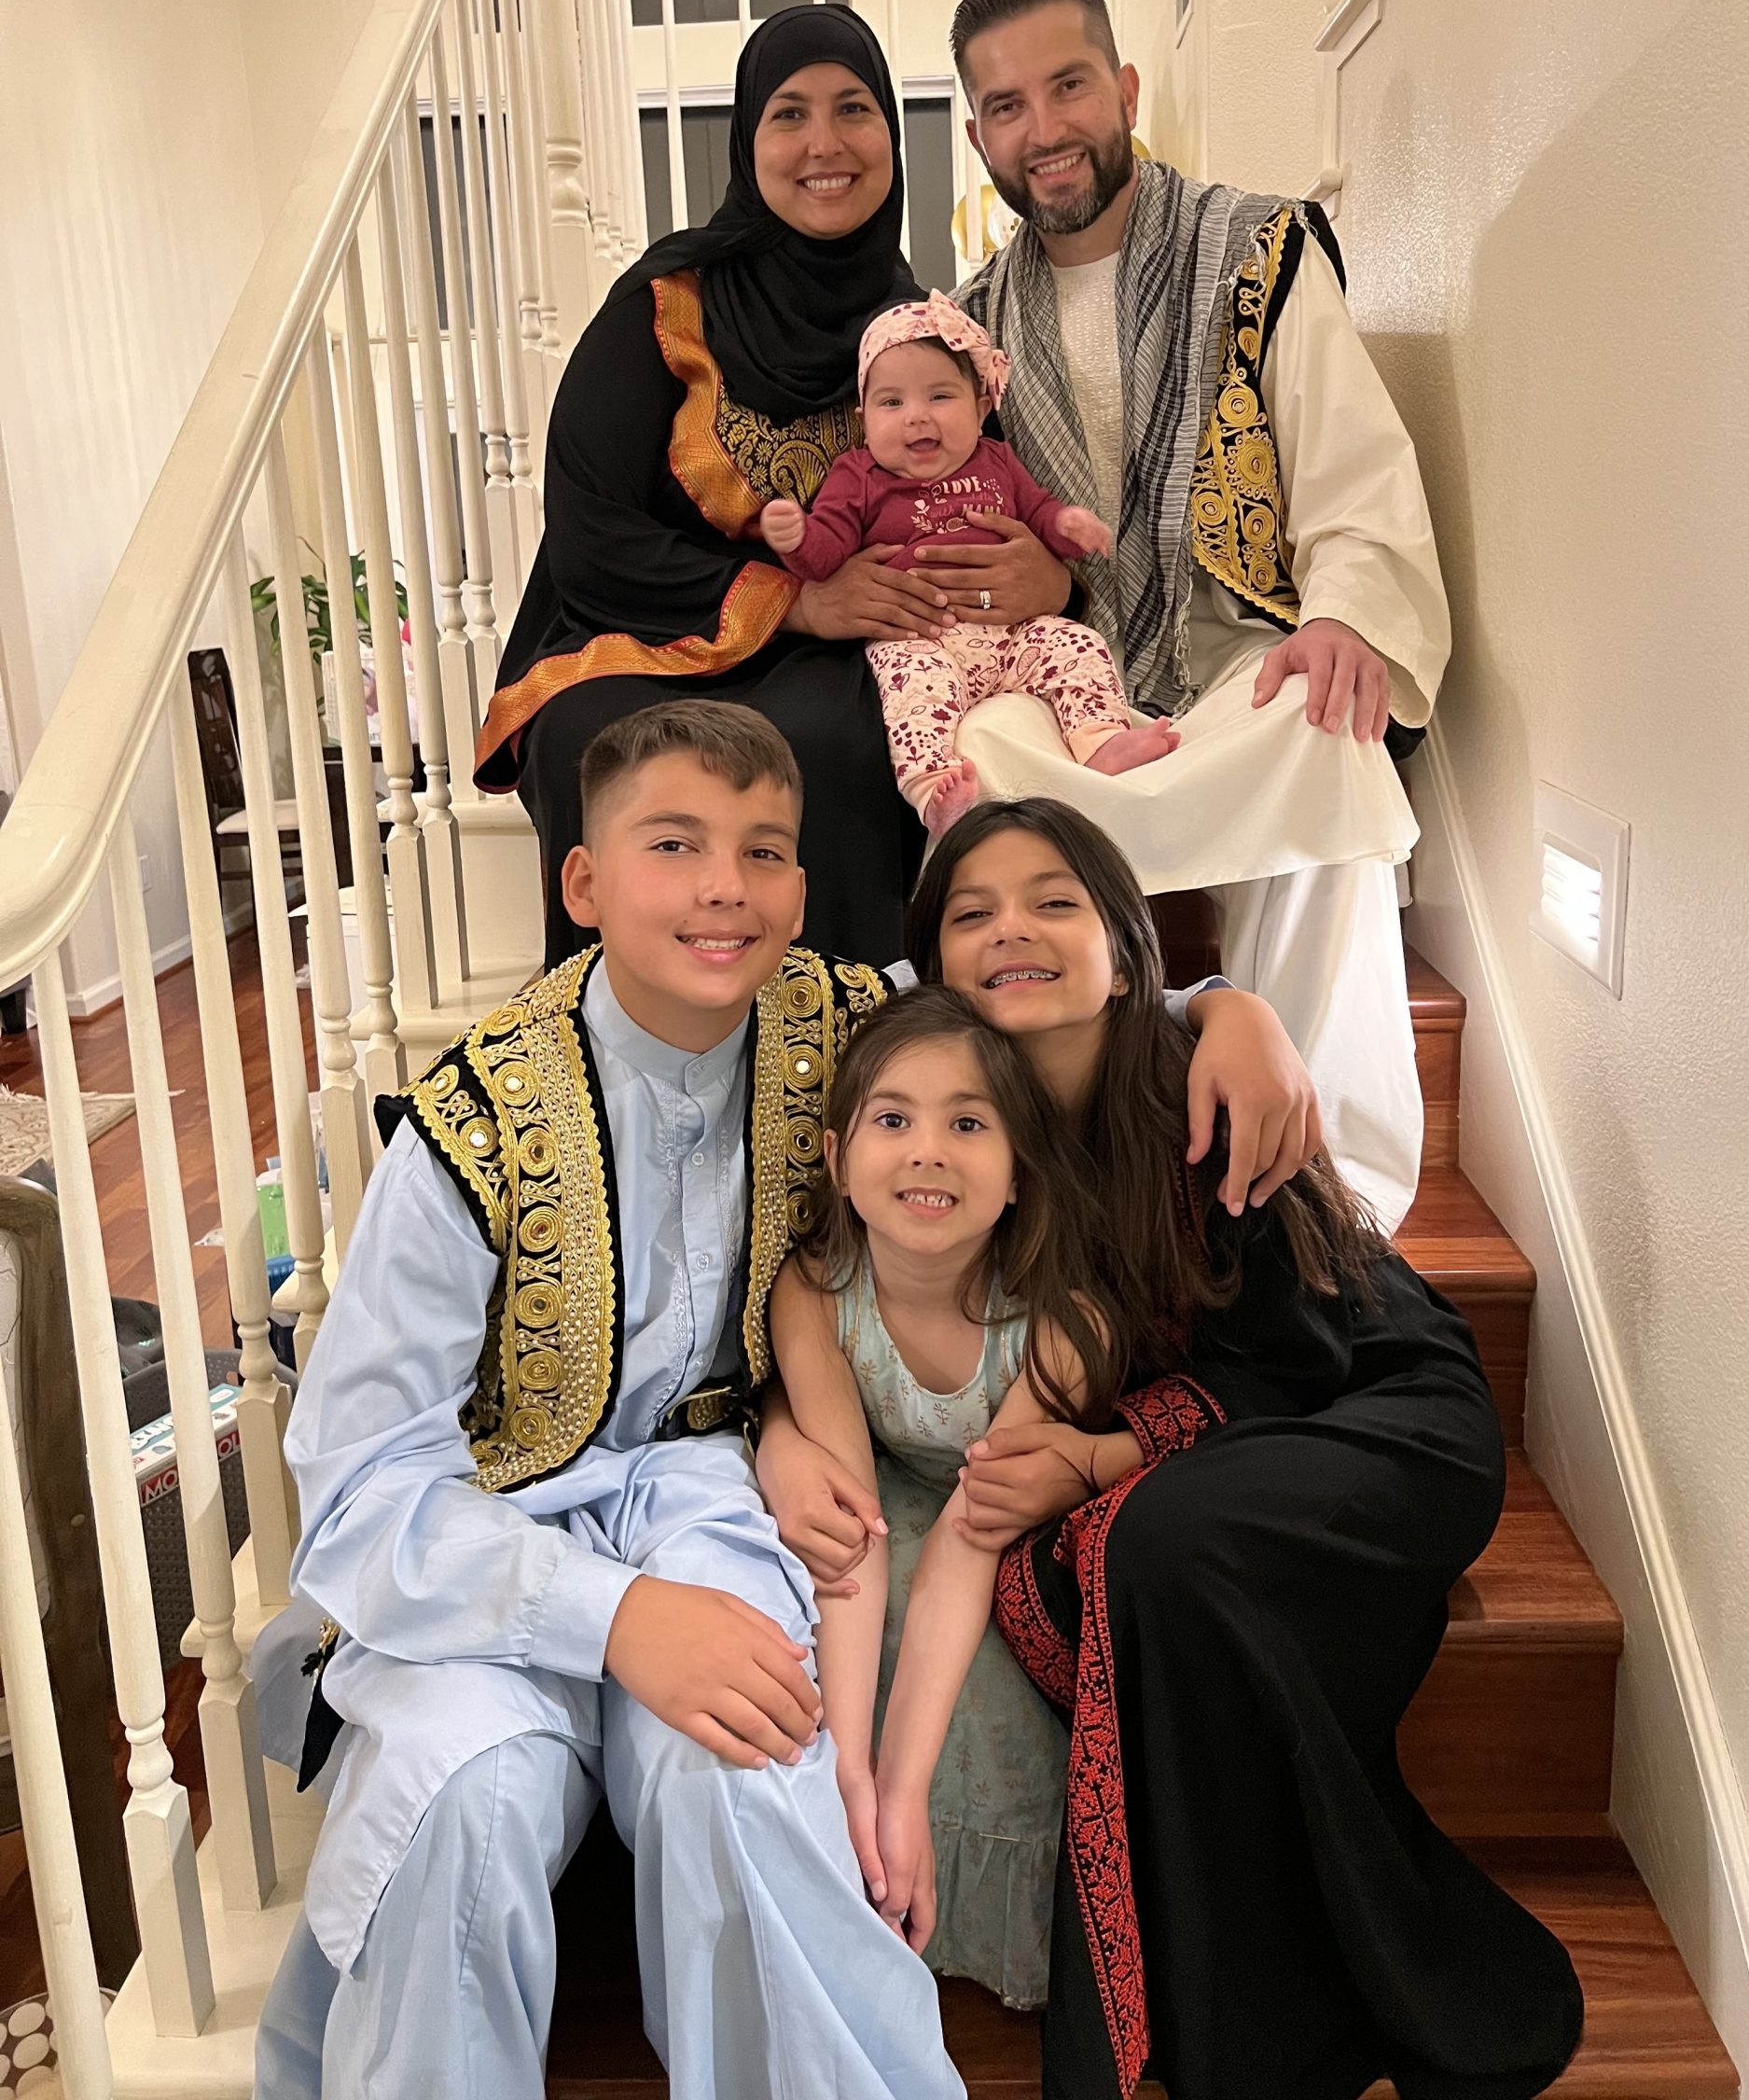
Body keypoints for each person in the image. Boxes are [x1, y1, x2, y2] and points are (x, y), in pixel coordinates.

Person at [252, 701, 1322, 2100]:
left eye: (764, 851)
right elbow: (358, 1486)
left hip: (710, 1501)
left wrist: (1226, 1008)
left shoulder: (845, 1021)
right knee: (467, 1796)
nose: (724, 888)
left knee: (750, 1774)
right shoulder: (466, 1127)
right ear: (582, 881)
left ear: (803, 891)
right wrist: (615, 1617)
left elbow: (1030, 989)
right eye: (674, 845)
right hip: (484, 1534)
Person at [757, 796, 1583, 2100]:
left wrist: (1101, 1457)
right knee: (1141, 1554)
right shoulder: (979, 1119)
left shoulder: (1198, 1096)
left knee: (1149, 1538)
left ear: (1124, 941)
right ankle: (1211, 1994)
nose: (1012, 929)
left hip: (1371, 1406)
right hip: (1213, 1448)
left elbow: (1299, 1359)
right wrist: (776, 1434)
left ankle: (1282, 2001)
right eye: (972, 912)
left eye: (1055, 903)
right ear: (934, 963)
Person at [945, 0, 1454, 1234]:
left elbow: (1351, 468)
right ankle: (1051, 1173)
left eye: (1068, 86)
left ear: (1125, 90)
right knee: (978, 749)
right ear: (979, 136)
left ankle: (1331, 1197)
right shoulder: (966, 326)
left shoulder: (1256, 251)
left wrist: (1343, 614)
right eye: (1006, 106)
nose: (1044, 129)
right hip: (1074, 681)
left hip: (1235, 656)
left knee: (1323, 727)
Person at [472, 3, 1070, 973]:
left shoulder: (923, 336)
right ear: (748, 141)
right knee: (598, 739)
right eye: (789, 114)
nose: (824, 144)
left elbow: (989, 502)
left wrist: (1044, 578)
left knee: (851, 733)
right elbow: (591, 537)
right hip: (654, 630)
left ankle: (845, 1035)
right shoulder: (660, 310)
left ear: (891, 136)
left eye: (853, 109)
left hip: (847, 655)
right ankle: (629, 1048)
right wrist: (796, 600)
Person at [770, 987, 1107, 2007]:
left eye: (967, 1124)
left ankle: (942, 1900)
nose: (927, 1152)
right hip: (880, 1522)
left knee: (986, 1720)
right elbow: (854, 1529)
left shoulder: (1061, 1320)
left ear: (1020, 1171)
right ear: (837, 1158)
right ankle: (846, 1888)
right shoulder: (814, 1292)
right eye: (893, 1119)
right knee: (829, 1683)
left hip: (997, 1545)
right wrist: (850, 1768)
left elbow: (973, 1533)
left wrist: (901, 1784)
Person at [761, 292, 1175, 832]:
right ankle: (933, 790)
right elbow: (825, 555)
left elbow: (1038, 512)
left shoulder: (997, 460)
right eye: (892, 403)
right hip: (922, 639)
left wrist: (1066, 526)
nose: (917, 417)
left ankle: (1102, 742)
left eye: (939, 396)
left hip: (1014, 635)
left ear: (981, 409)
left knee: (1076, 643)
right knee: (911, 687)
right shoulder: (857, 477)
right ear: (864, 420)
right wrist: (796, 539)